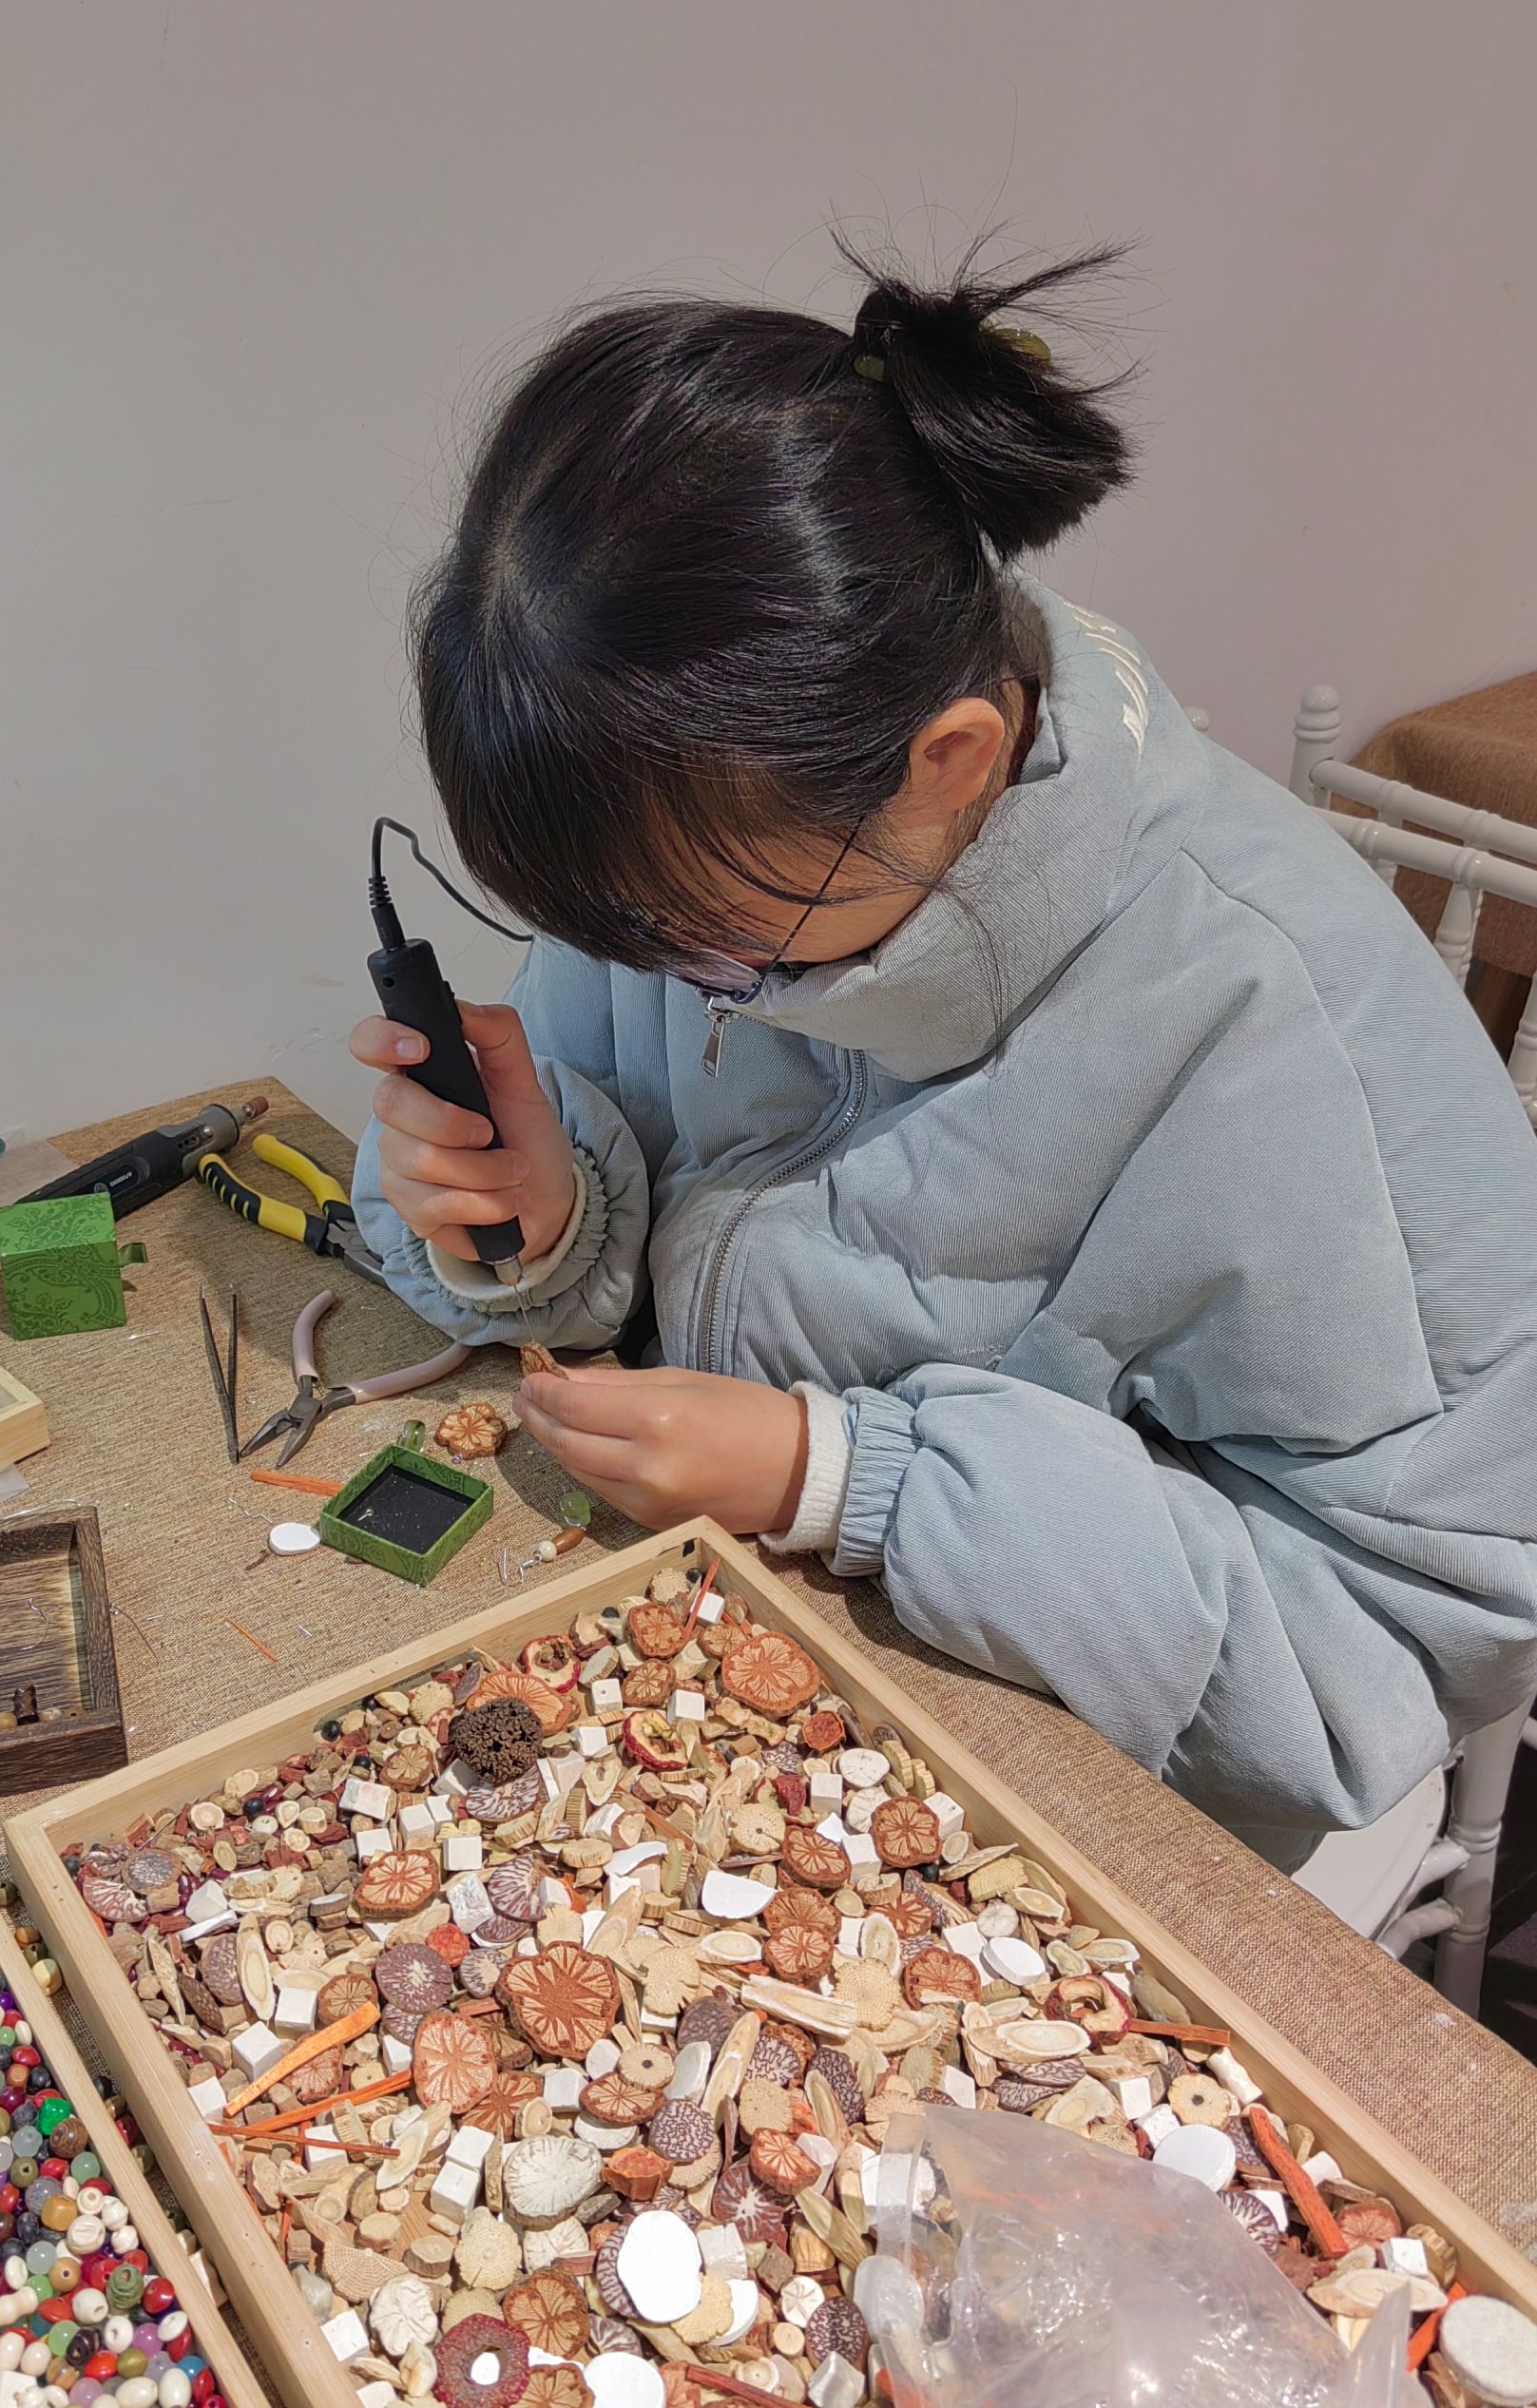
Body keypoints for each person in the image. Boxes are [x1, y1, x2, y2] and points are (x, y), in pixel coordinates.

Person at [349, 242, 1537, 1863]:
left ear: (951, 760)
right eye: (607, 931)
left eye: (703, 938)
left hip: (1151, 1798)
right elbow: (685, 1208)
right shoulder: (715, 831)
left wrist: (855, 1480)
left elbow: (1403, 1633)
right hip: (766, 1675)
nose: (662, 977)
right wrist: (552, 1219)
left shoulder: (1282, 1022)